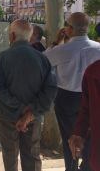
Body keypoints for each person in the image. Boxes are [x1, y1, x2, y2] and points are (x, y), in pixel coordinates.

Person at [0, 19, 57, 171]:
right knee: (32, 155)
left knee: (10, 155)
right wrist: (30, 112)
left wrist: (20, 109)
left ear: (12, 36)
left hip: (8, 116)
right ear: (29, 37)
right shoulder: (43, 59)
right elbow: (51, 89)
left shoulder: (1, 58)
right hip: (33, 118)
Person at [44, 12, 100, 171]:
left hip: (67, 98)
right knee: (92, 134)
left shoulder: (62, 49)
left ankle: (71, 167)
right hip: (92, 97)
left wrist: (56, 41)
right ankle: (87, 165)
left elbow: (44, 59)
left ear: (69, 29)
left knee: (69, 137)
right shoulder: (98, 48)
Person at [69, 58, 100, 171]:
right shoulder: (92, 72)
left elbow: (86, 110)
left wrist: (79, 133)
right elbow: (86, 109)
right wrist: (79, 134)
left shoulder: (92, 71)